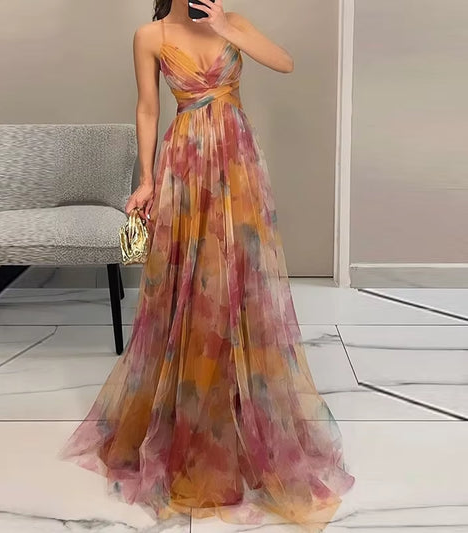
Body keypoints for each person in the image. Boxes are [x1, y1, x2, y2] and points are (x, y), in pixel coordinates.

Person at [58, 0, 355, 530]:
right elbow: (147, 109)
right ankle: (188, 411)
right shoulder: (149, 36)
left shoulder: (231, 21)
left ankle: (239, 407)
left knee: (239, 277)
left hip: (237, 162)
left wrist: (223, 27)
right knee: (188, 282)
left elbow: (285, 62)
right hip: (185, 162)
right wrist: (146, 179)